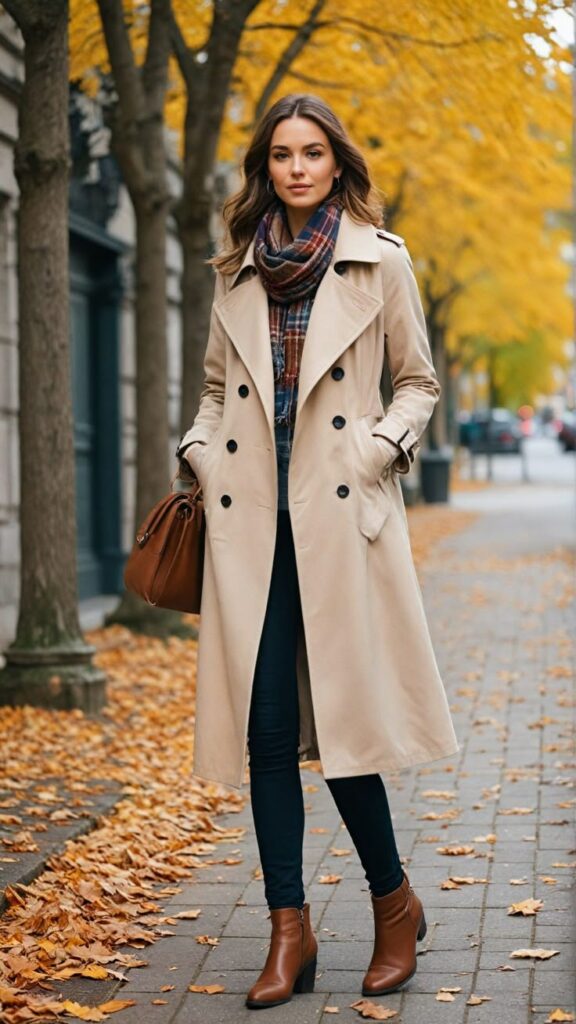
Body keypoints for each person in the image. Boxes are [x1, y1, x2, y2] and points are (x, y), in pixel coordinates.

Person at [175, 93, 459, 1010]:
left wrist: (377, 451)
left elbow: (418, 382)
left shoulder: (381, 262)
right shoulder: (237, 270)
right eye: (282, 154)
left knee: (344, 733)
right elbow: (213, 391)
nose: (297, 168)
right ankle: (287, 932)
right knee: (266, 736)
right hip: (253, 526)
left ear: (337, 164)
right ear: (266, 168)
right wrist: (199, 450)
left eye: (312, 153)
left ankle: (394, 906)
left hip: (340, 526)